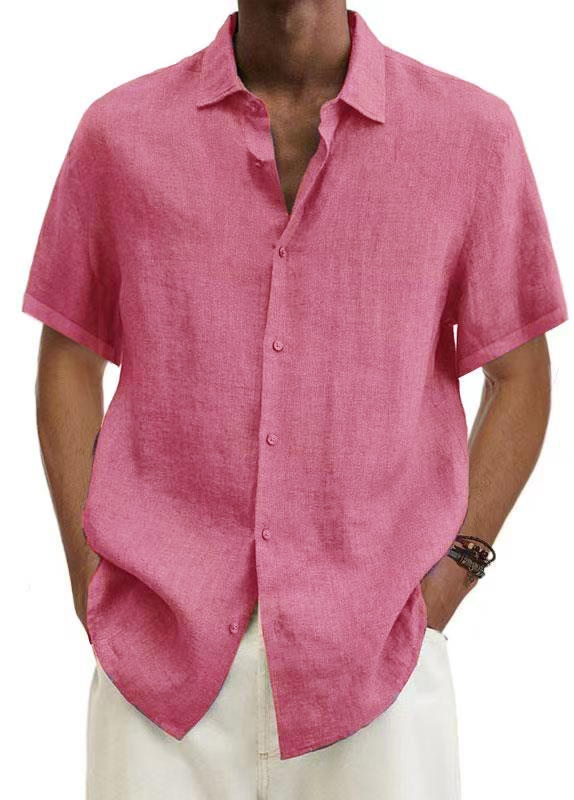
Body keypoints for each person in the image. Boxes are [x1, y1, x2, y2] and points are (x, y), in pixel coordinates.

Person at [22, 2, 568, 798]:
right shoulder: (119, 134)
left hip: (378, 670)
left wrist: (453, 574)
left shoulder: (471, 134)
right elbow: (69, 361)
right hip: (157, 673)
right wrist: (90, 581)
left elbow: (520, 375)